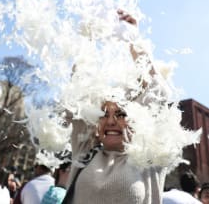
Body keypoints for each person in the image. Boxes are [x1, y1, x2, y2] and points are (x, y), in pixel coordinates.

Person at [61, 11, 168, 204]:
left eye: (120, 114)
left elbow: (157, 92)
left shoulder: (149, 157)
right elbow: (76, 89)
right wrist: (90, 38)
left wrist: (133, 39)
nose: (110, 121)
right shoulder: (85, 150)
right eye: (103, 114)